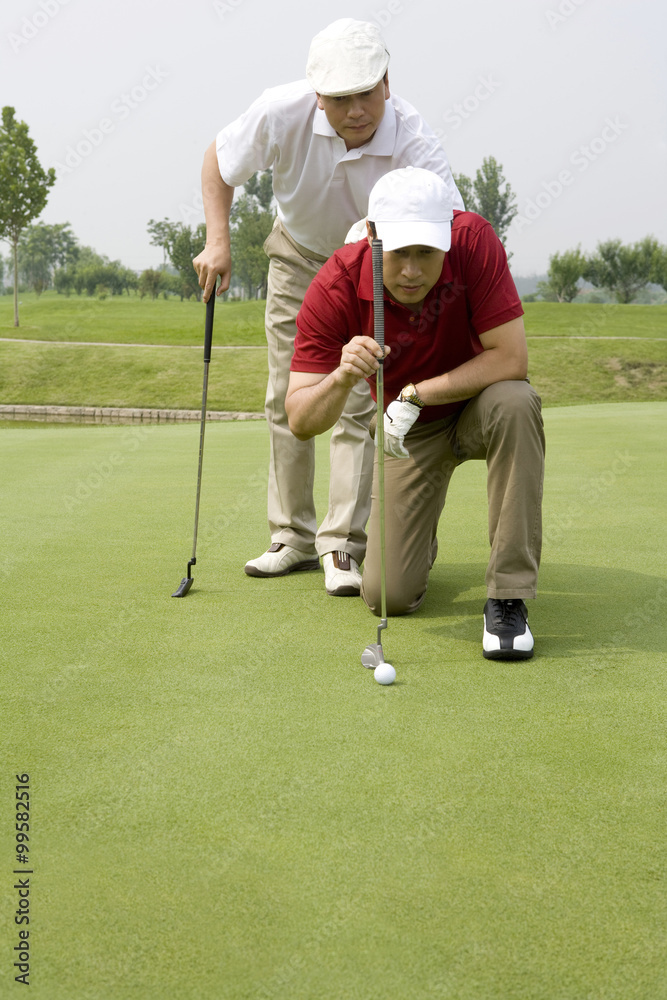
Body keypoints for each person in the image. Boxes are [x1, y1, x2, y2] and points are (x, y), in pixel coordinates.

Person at [192, 18, 463, 597]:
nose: (356, 109)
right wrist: (219, 239)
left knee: (357, 396)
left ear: (386, 84)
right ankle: (290, 537)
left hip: (372, 267)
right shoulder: (280, 109)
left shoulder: (415, 138)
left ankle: (343, 545)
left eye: (366, 93)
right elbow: (219, 160)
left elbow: (450, 223)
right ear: (318, 97)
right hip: (296, 256)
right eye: (340, 99)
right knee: (285, 395)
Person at [285, 167, 545, 659]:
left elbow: (511, 360)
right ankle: (417, 541)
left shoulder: (474, 241)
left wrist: (413, 394)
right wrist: (341, 377)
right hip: (410, 437)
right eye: (400, 252)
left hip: (475, 408)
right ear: (372, 235)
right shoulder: (336, 283)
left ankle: (508, 595)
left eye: (426, 252)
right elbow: (300, 420)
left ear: (447, 236)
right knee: (388, 596)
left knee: (516, 401)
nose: (411, 270)